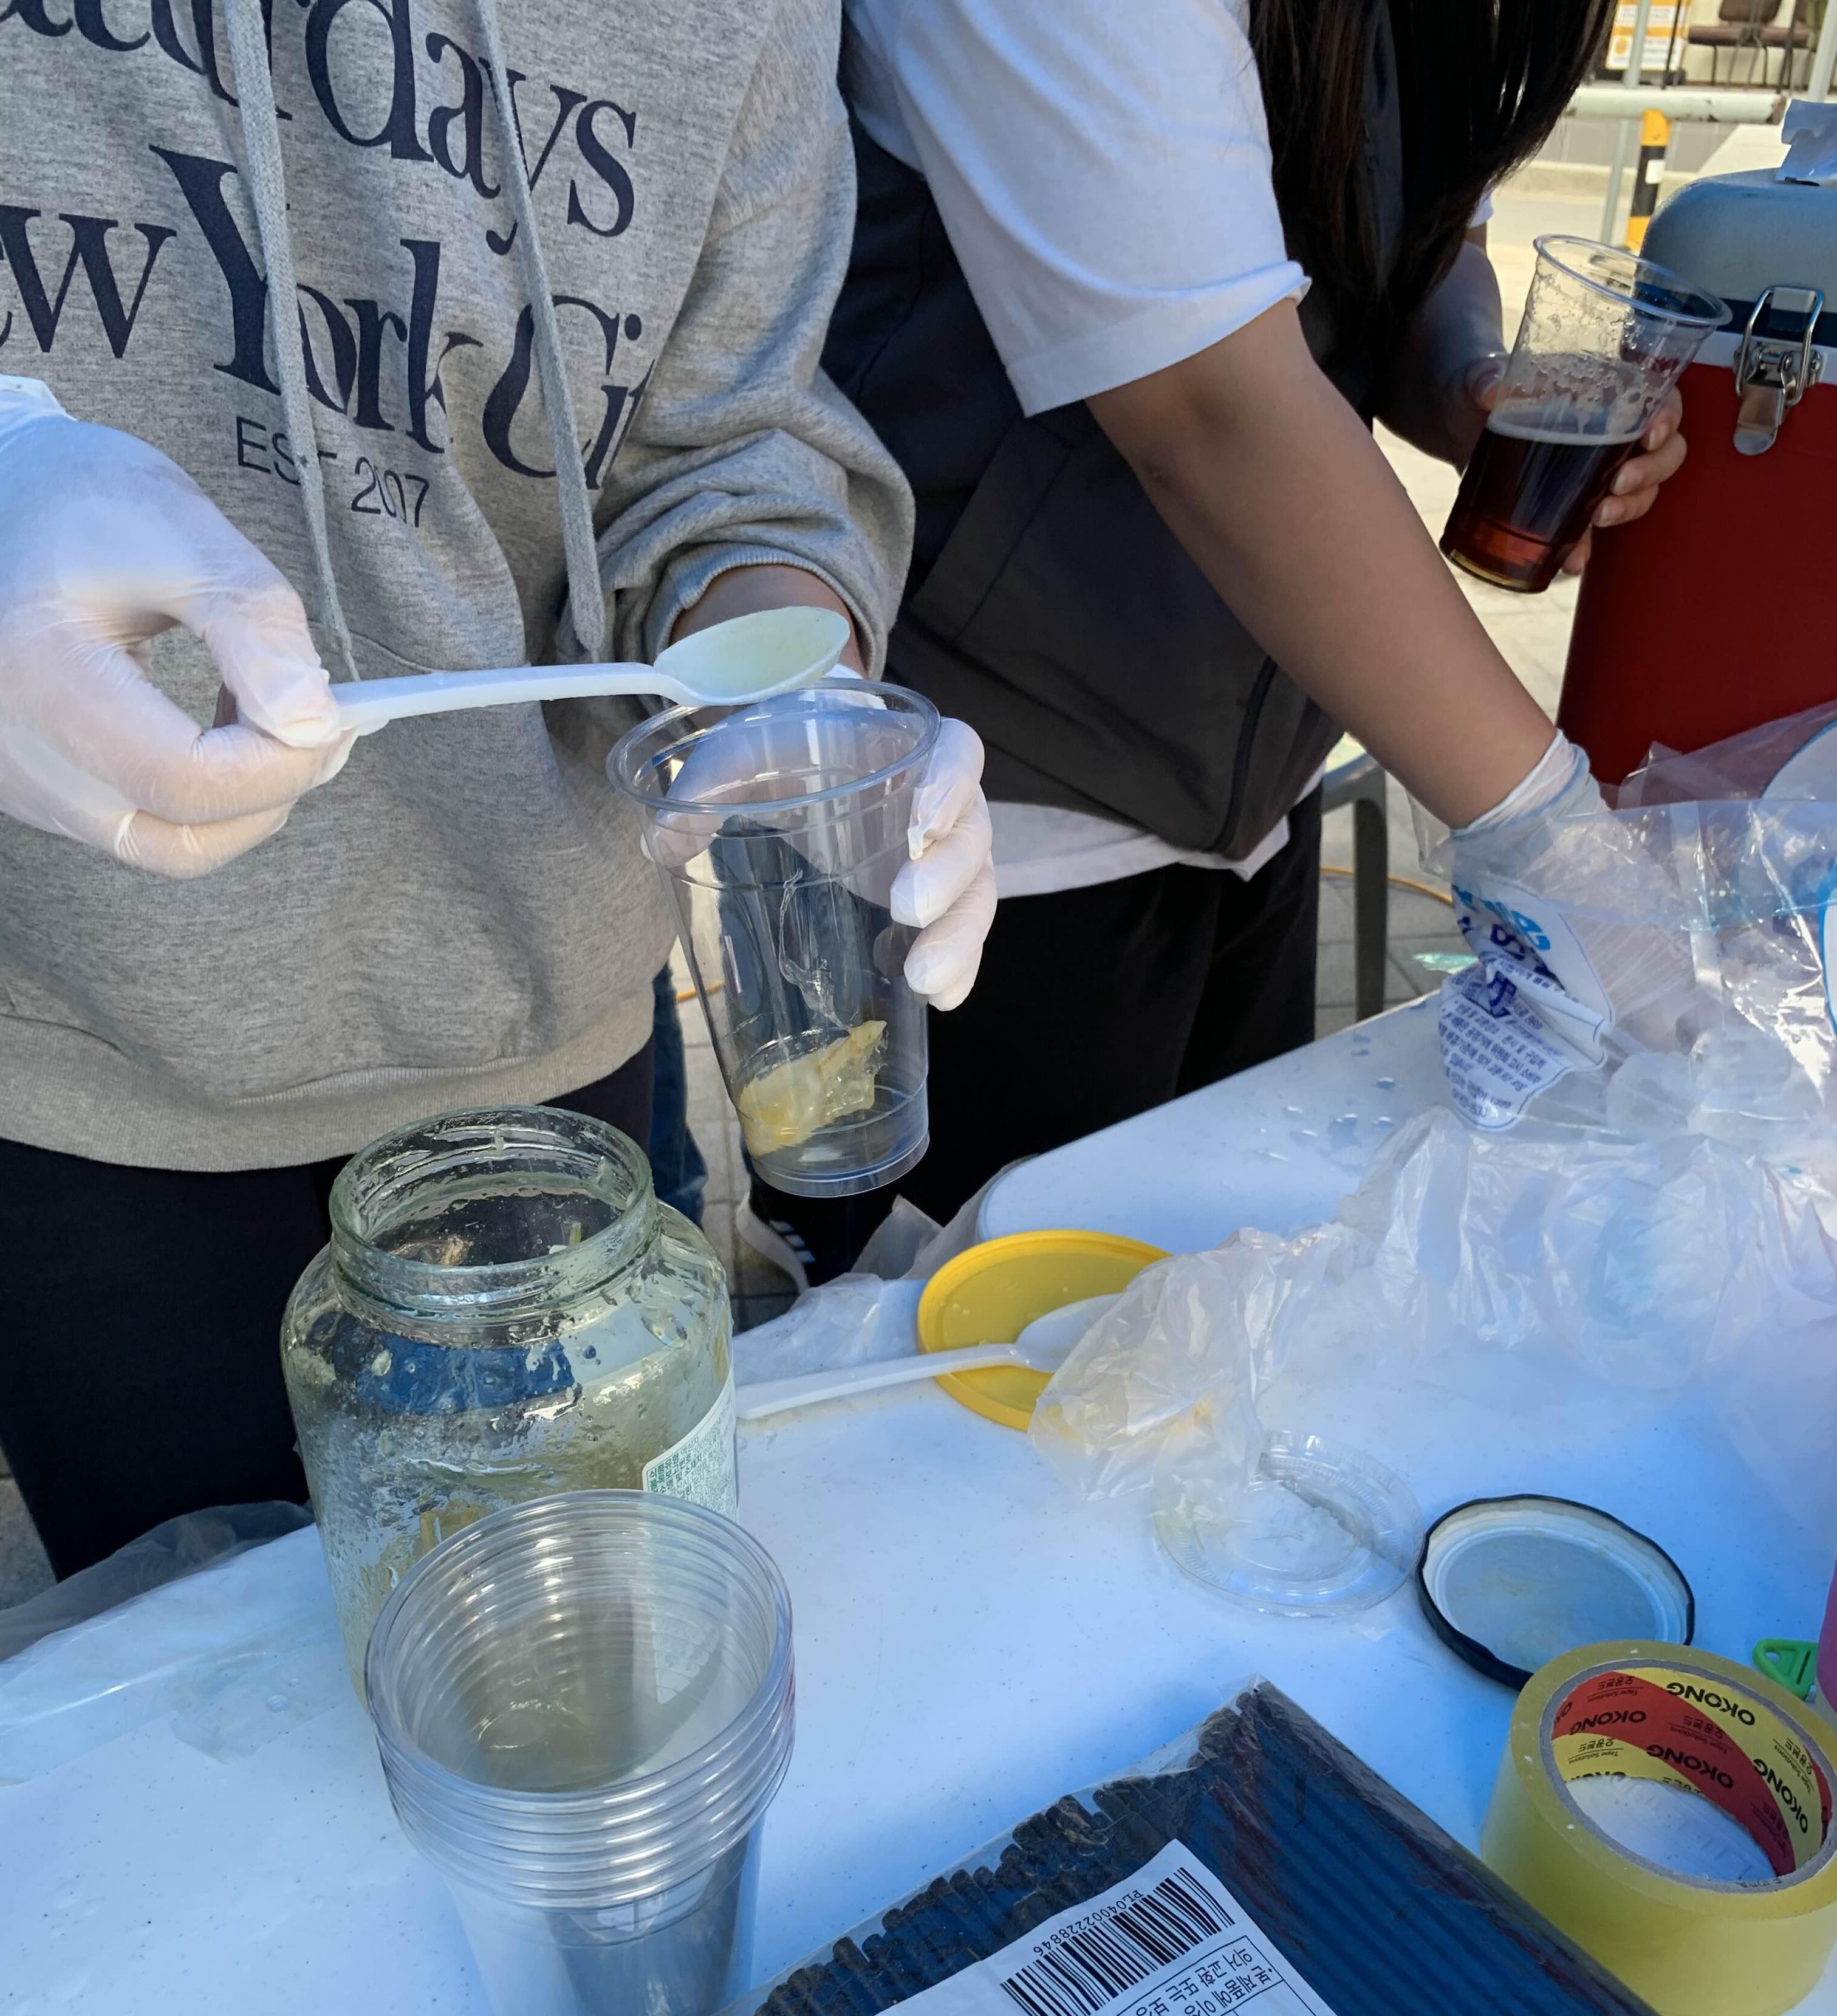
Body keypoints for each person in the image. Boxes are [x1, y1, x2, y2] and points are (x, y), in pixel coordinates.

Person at [0, 0, 997, 1579]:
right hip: (74, 1045)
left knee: (581, 1599)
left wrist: (784, 673)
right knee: (212, 1667)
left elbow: (728, 447)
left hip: (544, 1011)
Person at [739, 0, 1677, 1283]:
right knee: (968, 1323)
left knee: (1211, 1299)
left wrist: (1469, 378)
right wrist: (1552, 836)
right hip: (988, 800)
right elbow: (1207, 407)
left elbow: (1423, 228)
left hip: (1257, 773)